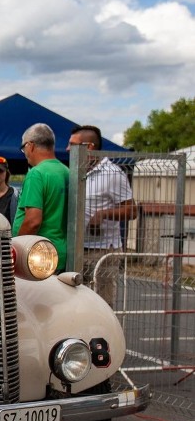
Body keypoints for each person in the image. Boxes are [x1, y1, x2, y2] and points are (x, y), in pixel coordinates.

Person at [69, 124, 137, 307]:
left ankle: (103, 336)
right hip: (79, 250)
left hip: (103, 252)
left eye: (72, 144)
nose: (68, 149)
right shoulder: (78, 172)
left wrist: (103, 214)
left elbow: (131, 210)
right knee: (77, 304)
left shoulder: (112, 173)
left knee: (101, 304)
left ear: (88, 147)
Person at [12, 123, 69, 271]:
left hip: (38, 255)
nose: (25, 153)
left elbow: (33, 221)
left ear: (30, 146)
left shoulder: (36, 173)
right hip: (60, 251)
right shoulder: (66, 171)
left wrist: (16, 250)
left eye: (23, 148)